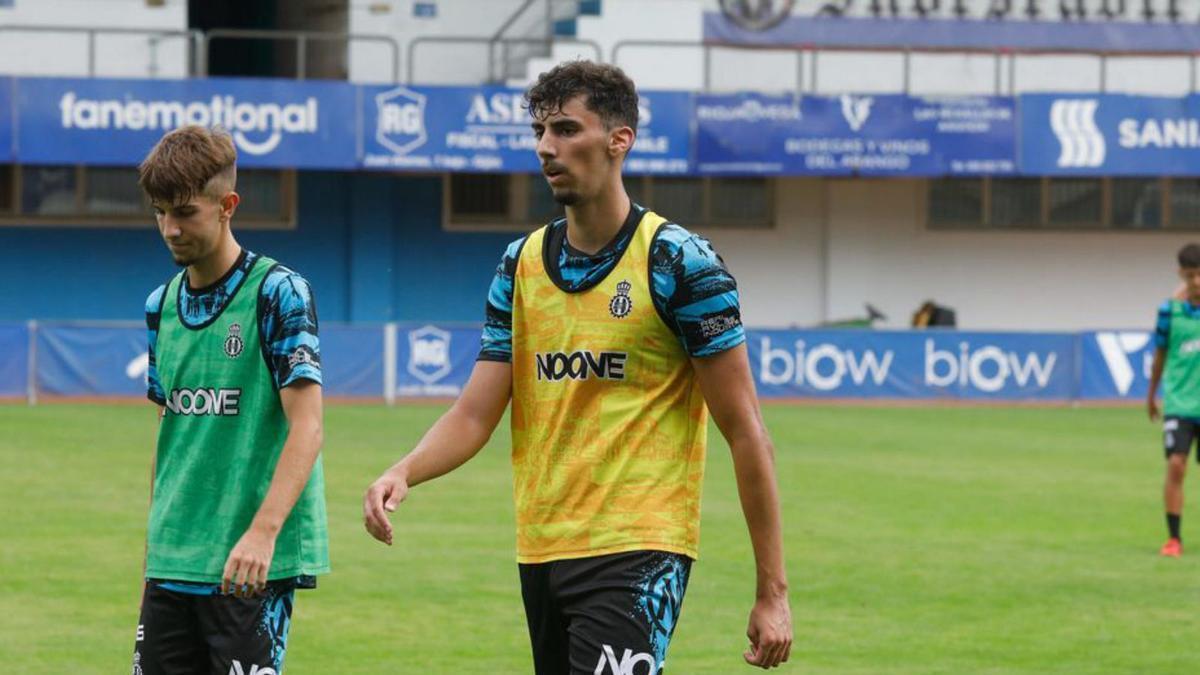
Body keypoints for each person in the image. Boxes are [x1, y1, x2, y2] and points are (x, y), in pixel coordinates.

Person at [364, 61, 792, 671]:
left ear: (619, 140)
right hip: (542, 547)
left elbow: (746, 430)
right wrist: (404, 471)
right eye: (540, 131)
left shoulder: (679, 263)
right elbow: (474, 412)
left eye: (566, 129)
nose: (546, 147)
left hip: (640, 545)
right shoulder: (521, 264)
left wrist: (771, 592)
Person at [132, 125, 329, 673]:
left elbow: (308, 427)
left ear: (228, 206)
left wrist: (262, 534)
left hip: (248, 564)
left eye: (185, 212)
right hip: (173, 560)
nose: (170, 228)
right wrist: (152, 554)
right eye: (159, 212)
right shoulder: (159, 305)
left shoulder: (278, 292)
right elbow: (168, 435)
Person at [1148, 243, 1200, 558]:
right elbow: (1160, 356)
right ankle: (1174, 539)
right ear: (1181, 274)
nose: (1196, 282)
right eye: (1190, 275)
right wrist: (1151, 394)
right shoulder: (1169, 311)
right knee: (1176, 465)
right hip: (1179, 403)